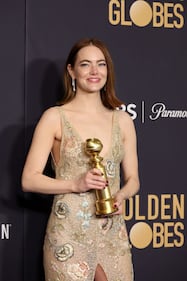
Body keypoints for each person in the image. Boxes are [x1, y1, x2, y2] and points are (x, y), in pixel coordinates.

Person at [22, 38, 140, 281]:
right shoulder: (55, 117)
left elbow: (133, 180)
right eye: (85, 64)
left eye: (101, 64)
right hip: (68, 235)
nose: (95, 71)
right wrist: (74, 184)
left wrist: (121, 195)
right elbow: (29, 180)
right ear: (71, 71)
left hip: (112, 233)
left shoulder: (123, 120)